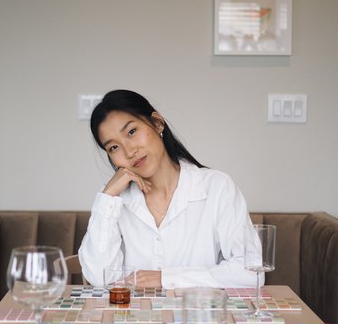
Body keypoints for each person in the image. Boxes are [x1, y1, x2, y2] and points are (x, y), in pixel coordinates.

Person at [78, 89, 261, 289]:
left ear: (157, 123)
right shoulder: (114, 202)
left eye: (132, 132)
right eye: (113, 147)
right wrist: (107, 197)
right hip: (135, 318)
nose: (129, 152)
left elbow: (250, 272)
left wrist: (165, 278)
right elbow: (98, 277)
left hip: (200, 318)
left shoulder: (217, 187)